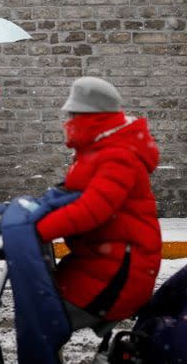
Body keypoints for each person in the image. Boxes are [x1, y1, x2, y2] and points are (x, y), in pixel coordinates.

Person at [35, 76, 162, 329]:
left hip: (121, 271)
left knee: (46, 317)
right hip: (98, 260)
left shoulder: (119, 155)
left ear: (92, 117)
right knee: (40, 303)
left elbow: (92, 209)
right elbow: (72, 194)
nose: (68, 122)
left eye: (73, 115)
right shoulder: (97, 149)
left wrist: (37, 230)